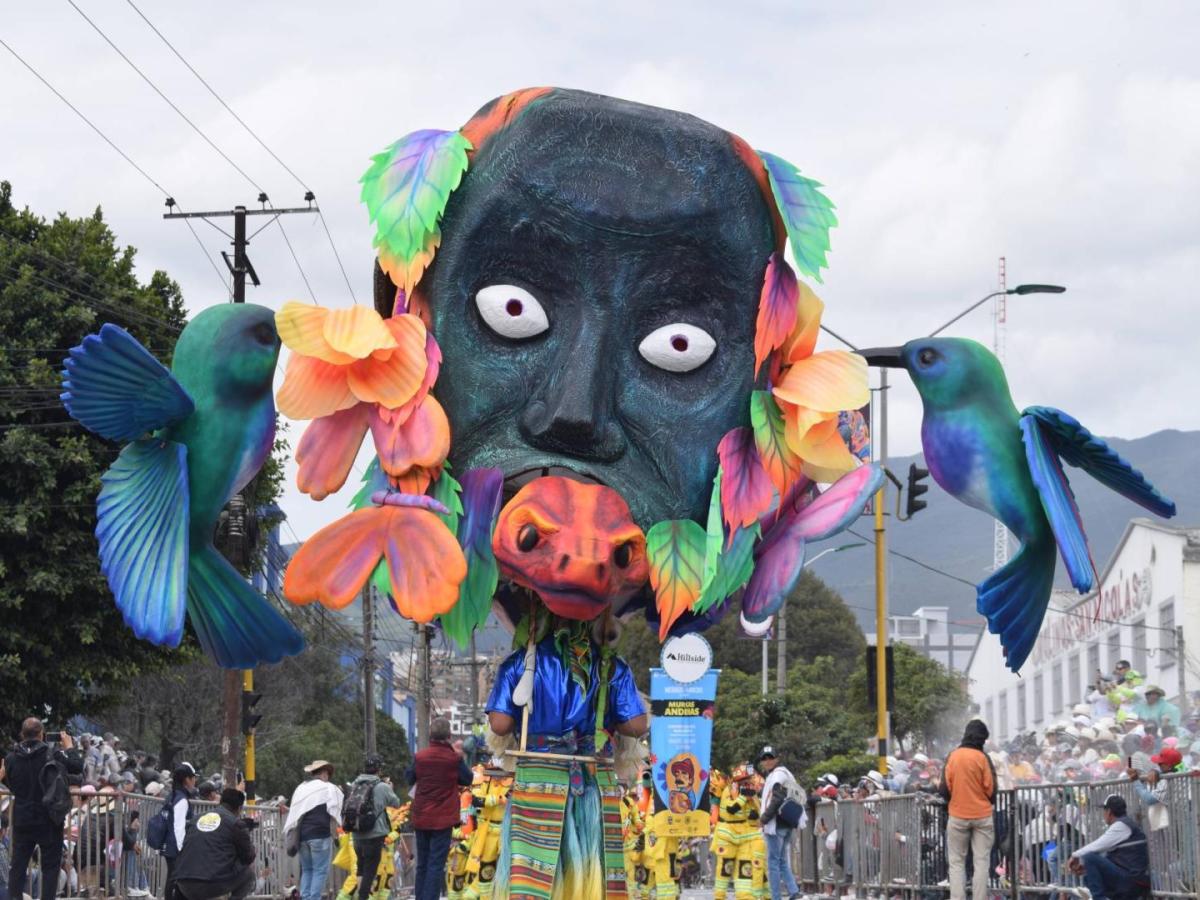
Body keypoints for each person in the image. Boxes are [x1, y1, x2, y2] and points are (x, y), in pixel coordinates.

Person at [1, 718, 82, 900]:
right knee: (50, 867)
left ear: (22, 734)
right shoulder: (53, 754)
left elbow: (10, 783)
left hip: (22, 818)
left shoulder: (11, 758)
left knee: (18, 865)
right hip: (49, 818)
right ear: (42, 734)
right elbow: (77, 766)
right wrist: (69, 747)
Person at [405, 718, 473, 900]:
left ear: (430, 735)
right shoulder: (454, 759)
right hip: (443, 819)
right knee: (436, 864)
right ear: (449, 736)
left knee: (422, 864)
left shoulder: (420, 757)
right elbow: (468, 779)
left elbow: (409, 777)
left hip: (422, 818)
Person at [941, 719, 996, 900]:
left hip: (957, 816)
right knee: (981, 862)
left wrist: (955, 800)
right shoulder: (983, 758)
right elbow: (991, 789)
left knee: (956, 862)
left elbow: (944, 789)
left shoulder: (953, 756)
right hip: (982, 816)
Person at [172, 788, 257, 900]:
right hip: (210, 885)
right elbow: (248, 856)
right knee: (249, 874)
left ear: (220, 802)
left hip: (183, 884)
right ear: (239, 808)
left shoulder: (196, 819)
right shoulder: (235, 823)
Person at [1067, 794, 1149, 900]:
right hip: (1130, 880)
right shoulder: (1126, 824)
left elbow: (1098, 845)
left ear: (1109, 812)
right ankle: (1098, 895)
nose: (1103, 814)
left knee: (1090, 858)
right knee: (1088, 869)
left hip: (1132, 881)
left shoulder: (1122, 826)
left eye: (1104, 810)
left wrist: (1075, 855)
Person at [283, 760, 344, 900]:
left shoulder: (301, 788)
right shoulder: (329, 788)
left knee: (307, 870)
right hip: (320, 835)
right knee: (320, 871)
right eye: (327, 774)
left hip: (303, 837)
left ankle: (305, 898)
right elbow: (334, 814)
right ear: (324, 773)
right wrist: (336, 836)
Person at [348, 754, 401, 900]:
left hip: (357, 834)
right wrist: (389, 788)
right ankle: (363, 897)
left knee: (361, 868)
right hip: (374, 835)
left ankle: (361, 897)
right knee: (370, 872)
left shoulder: (355, 784)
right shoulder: (382, 786)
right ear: (379, 770)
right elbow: (396, 803)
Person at [758, 746, 802, 900]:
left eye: (770, 757)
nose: (767, 761)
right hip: (788, 822)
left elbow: (776, 799)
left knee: (773, 863)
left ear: (776, 759)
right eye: (764, 758)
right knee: (782, 860)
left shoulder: (777, 776)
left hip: (776, 825)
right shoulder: (785, 773)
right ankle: (793, 891)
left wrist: (763, 819)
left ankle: (776, 896)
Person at [163, 762, 198, 900]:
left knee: (172, 878)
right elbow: (178, 827)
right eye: (193, 777)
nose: (195, 780)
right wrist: (182, 850)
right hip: (176, 847)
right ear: (186, 779)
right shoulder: (181, 799)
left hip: (169, 844)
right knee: (175, 879)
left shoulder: (173, 795)